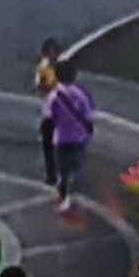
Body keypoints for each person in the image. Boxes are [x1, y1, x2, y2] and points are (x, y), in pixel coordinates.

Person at [42, 56, 95, 214]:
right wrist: (88, 131)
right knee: (75, 166)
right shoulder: (81, 95)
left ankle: (64, 194)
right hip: (78, 139)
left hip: (61, 139)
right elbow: (88, 117)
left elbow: (48, 120)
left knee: (62, 169)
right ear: (74, 75)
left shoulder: (54, 96)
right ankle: (72, 186)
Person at [32, 37, 63, 189]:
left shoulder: (60, 66)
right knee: (49, 143)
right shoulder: (44, 67)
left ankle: (57, 172)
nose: (53, 55)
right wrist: (50, 86)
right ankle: (52, 175)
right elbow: (39, 87)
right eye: (50, 52)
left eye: (54, 52)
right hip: (49, 112)